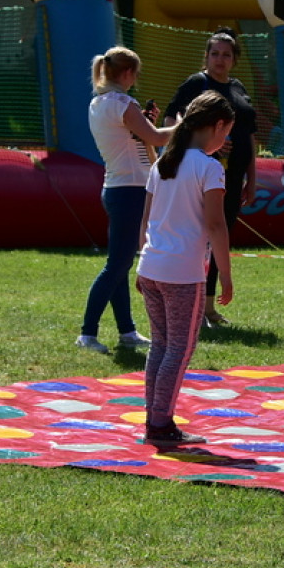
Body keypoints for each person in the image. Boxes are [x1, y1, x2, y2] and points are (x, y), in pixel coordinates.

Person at [137, 91, 235, 447]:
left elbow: (146, 222)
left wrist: (141, 261)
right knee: (178, 348)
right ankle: (160, 423)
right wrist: (225, 275)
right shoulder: (209, 169)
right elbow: (216, 225)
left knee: (160, 346)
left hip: (152, 266)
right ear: (217, 125)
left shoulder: (162, 164)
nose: (224, 143)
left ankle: (155, 418)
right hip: (182, 273)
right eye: (225, 135)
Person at [76, 47, 174, 354]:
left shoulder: (100, 103)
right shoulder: (123, 103)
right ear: (128, 74)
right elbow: (157, 138)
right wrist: (185, 124)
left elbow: (136, 136)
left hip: (118, 188)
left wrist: (143, 123)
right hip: (129, 189)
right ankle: (87, 333)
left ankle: (126, 330)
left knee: (120, 265)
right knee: (116, 265)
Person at [165, 27, 256, 326]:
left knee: (220, 236)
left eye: (226, 55)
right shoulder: (196, 83)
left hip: (232, 177)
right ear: (206, 56)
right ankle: (190, 305)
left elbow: (250, 137)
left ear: (234, 59)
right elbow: (171, 119)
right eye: (214, 53)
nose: (220, 59)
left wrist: (251, 177)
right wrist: (201, 144)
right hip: (199, 175)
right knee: (200, 237)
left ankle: (208, 306)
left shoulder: (239, 88)